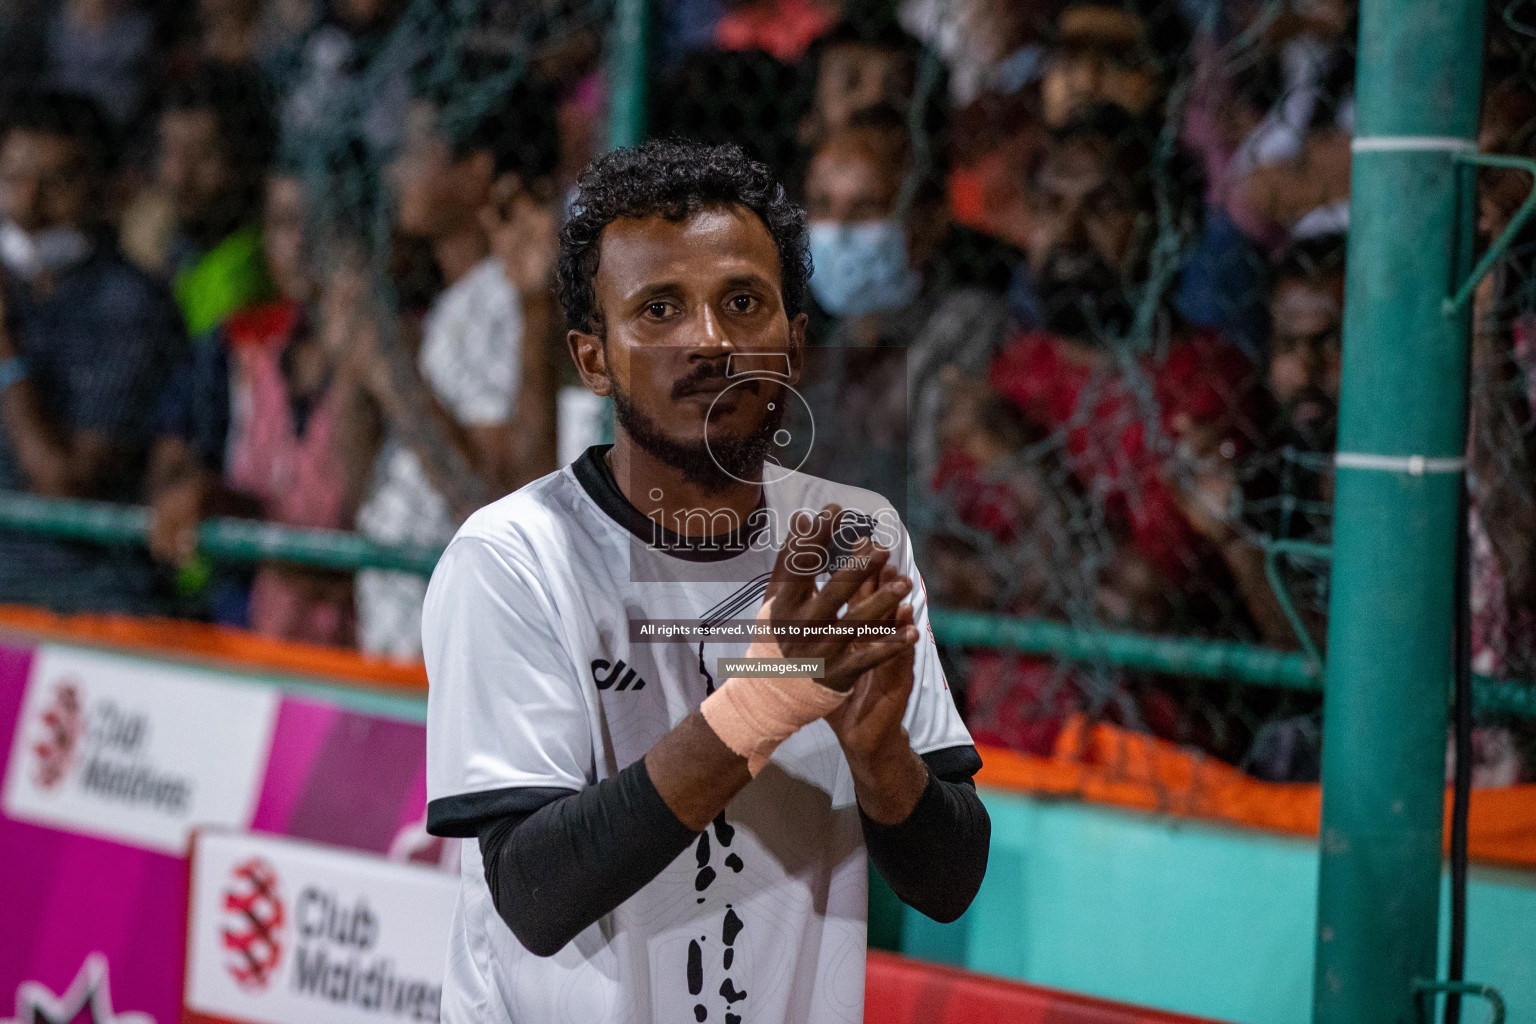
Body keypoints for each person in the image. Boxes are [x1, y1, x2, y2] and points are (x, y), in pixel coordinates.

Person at [423, 139, 989, 1022]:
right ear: (593, 358)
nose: (712, 340)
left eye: (742, 302)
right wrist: (761, 704)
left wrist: (880, 756)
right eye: (658, 309)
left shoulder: (853, 535)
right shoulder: (510, 557)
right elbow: (534, 896)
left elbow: (949, 882)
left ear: (794, 343)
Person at [352, 82, 561, 659]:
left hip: (458, 644)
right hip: (406, 630)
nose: (396, 170)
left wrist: (394, 378)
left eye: (417, 150)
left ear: (475, 172)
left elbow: (496, 495)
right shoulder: (458, 302)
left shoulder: (502, 305)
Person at [146, 169, 381, 644]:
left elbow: (362, 557)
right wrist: (208, 495)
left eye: (315, 226)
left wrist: (247, 532)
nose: (297, 246)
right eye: (281, 225)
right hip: (266, 635)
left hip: (369, 645)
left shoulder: (392, 358)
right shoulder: (247, 351)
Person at [0, 91, 185, 612]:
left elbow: (64, 484)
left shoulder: (129, 304)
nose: (27, 205)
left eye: (55, 183)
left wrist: (4, 348)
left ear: (104, 190)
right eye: (12, 179)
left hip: (84, 603)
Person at [799, 105, 1014, 504]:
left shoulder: (969, 324)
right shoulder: (831, 346)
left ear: (929, 221)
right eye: (823, 207)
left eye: (866, 209)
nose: (838, 233)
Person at [151, 62, 277, 339]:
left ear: (248, 162)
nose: (178, 175)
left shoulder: (243, 281)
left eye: (202, 155)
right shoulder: (183, 246)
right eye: (169, 151)